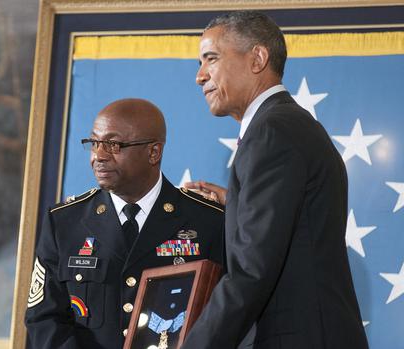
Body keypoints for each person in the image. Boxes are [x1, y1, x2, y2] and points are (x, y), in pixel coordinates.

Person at [182, 11, 368, 349]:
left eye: (211, 58)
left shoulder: (271, 132)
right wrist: (237, 203)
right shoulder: (287, 124)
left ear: (257, 58)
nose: (199, 76)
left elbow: (252, 271)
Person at [24, 98, 226, 348]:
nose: (98, 156)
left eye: (113, 145)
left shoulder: (208, 220)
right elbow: (44, 319)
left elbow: (225, 315)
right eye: (94, 143)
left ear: (154, 152)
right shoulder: (64, 222)